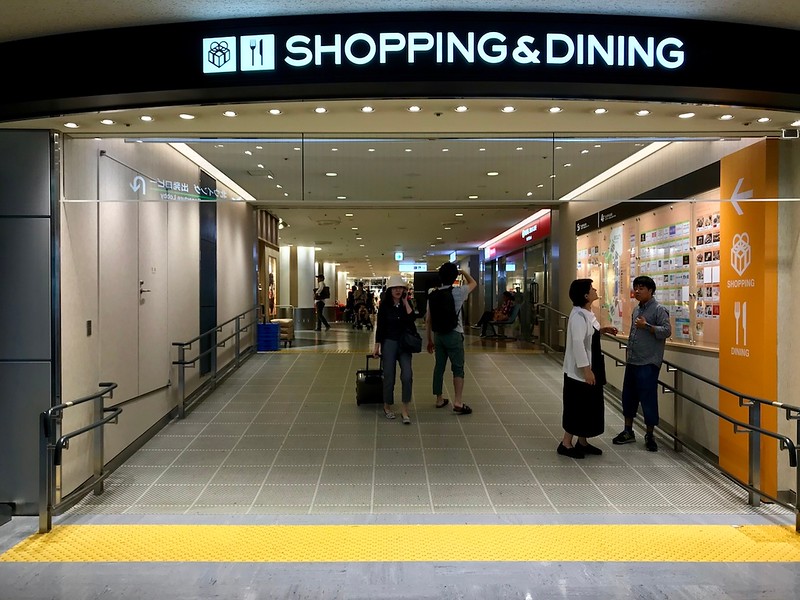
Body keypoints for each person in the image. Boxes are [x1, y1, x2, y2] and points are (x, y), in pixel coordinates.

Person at [558, 279, 618, 459]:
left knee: (588, 406)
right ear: (585, 295)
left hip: (592, 365)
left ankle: (582, 442)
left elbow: (588, 335)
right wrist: (586, 370)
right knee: (577, 405)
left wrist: (603, 330)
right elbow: (578, 343)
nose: (595, 290)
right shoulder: (578, 316)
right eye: (592, 289)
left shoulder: (586, 313)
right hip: (580, 371)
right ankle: (565, 443)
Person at [612, 275, 671, 452]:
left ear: (651, 291)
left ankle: (650, 434)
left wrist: (648, 327)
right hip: (633, 361)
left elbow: (667, 331)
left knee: (648, 399)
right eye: (635, 287)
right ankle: (628, 431)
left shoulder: (659, 310)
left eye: (641, 288)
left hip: (648, 362)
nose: (637, 291)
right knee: (628, 397)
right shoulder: (637, 310)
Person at [425, 262, 477, 415]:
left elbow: (429, 319)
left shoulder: (432, 294)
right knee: (458, 368)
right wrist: (462, 272)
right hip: (454, 334)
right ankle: (458, 402)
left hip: (439, 336)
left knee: (439, 367)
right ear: (455, 277)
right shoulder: (459, 292)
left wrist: (429, 340)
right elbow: (473, 283)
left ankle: (439, 399)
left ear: (440, 276)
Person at [373, 275, 417, 424]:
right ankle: (387, 405)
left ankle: (405, 409)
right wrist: (377, 345)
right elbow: (380, 327)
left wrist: (405, 303)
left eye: (401, 288)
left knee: (407, 375)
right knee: (389, 375)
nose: (398, 290)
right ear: (390, 289)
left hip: (404, 344)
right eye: (395, 288)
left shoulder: (406, 303)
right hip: (389, 343)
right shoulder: (385, 306)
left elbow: (412, 321)